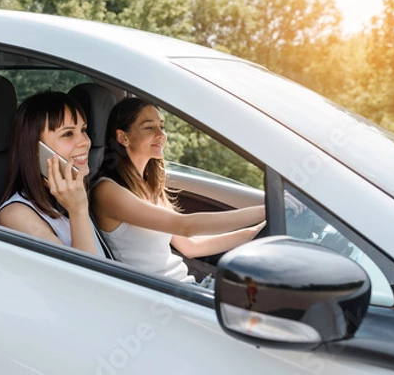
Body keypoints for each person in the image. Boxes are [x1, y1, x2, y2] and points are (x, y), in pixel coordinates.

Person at [90, 97, 267, 284]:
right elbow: (186, 226)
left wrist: (253, 233)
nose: (161, 135)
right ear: (123, 137)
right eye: (150, 127)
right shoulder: (107, 191)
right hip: (157, 293)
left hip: (185, 285)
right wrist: (265, 210)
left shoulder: (149, 184)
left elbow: (191, 246)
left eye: (162, 126)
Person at [0, 91, 104, 257]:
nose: (85, 141)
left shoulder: (68, 195)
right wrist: (78, 210)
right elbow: (83, 279)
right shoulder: (15, 215)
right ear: (36, 150)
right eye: (68, 134)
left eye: (83, 130)